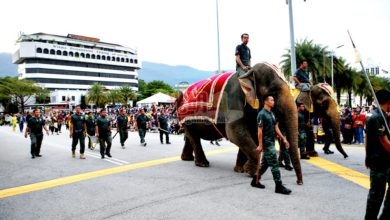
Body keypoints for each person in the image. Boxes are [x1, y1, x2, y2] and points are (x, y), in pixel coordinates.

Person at [251, 95, 292, 195]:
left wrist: (284, 139)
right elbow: (259, 131)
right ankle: (279, 186)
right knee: (275, 165)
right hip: (267, 144)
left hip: (271, 142)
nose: (273, 101)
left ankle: (255, 180)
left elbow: (276, 128)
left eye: (273, 100)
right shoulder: (261, 114)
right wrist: (260, 145)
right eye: (271, 100)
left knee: (265, 164)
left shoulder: (272, 114)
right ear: (266, 102)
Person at [364, 89, 390, 219]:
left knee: (376, 194)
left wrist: (367, 156)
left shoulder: (374, 115)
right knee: (376, 196)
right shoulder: (379, 117)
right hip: (381, 162)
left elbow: (367, 138)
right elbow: (384, 142)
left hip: (379, 160)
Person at [236, 33, 258, 109]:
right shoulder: (239, 47)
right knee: (244, 79)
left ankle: (256, 99)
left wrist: (250, 67)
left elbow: (249, 60)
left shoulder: (248, 49)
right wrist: (243, 67)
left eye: (247, 38)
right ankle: (245, 99)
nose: (246, 39)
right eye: (245, 38)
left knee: (256, 78)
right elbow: (237, 58)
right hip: (240, 68)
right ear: (242, 39)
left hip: (248, 67)